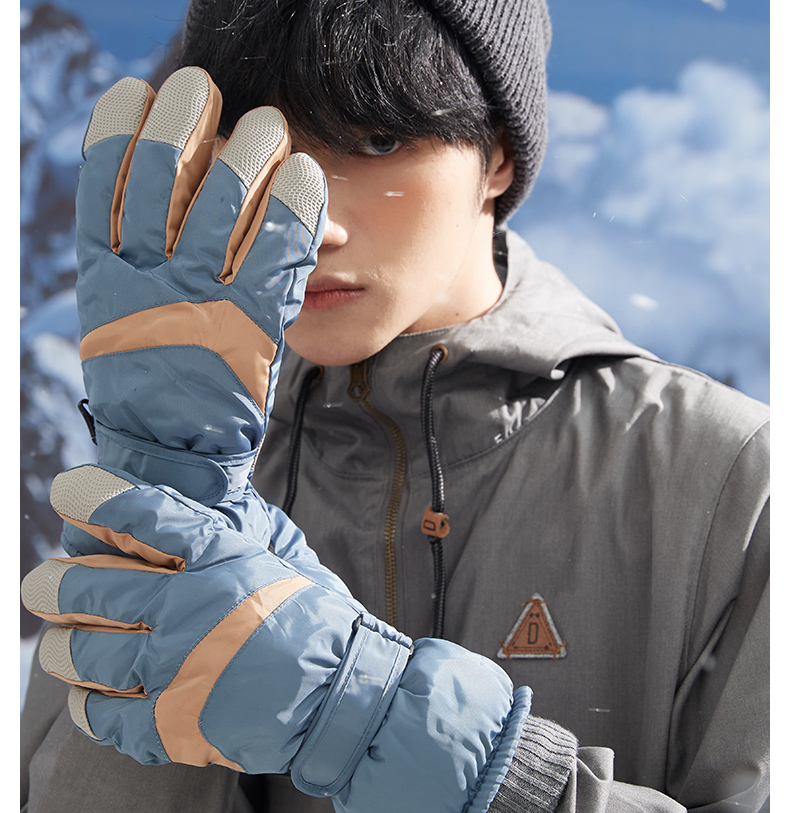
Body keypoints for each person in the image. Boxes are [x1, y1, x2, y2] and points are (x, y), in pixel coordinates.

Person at [20, 0, 769, 811]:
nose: (317, 222)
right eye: (267, 151)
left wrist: (375, 723)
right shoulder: (192, 443)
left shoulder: (729, 480)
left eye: (378, 141)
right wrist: (164, 479)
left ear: (498, 154)